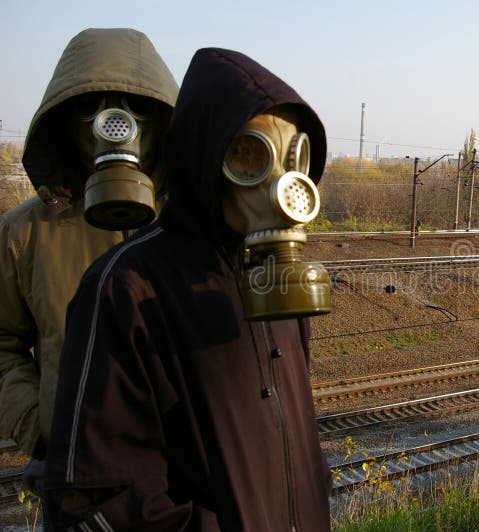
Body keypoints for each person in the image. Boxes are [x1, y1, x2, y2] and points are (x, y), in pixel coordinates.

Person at [44, 48, 332, 531]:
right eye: (250, 155)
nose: (280, 184)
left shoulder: (277, 285)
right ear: (204, 155)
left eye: (290, 158)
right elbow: (97, 497)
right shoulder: (125, 288)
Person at [0, 28, 178, 463]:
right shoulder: (27, 233)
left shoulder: (203, 222)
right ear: (64, 122)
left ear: (164, 118)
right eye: (90, 108)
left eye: (135, 106)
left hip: (187, 481)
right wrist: (44, 427)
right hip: (75, 480)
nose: (116, 123)